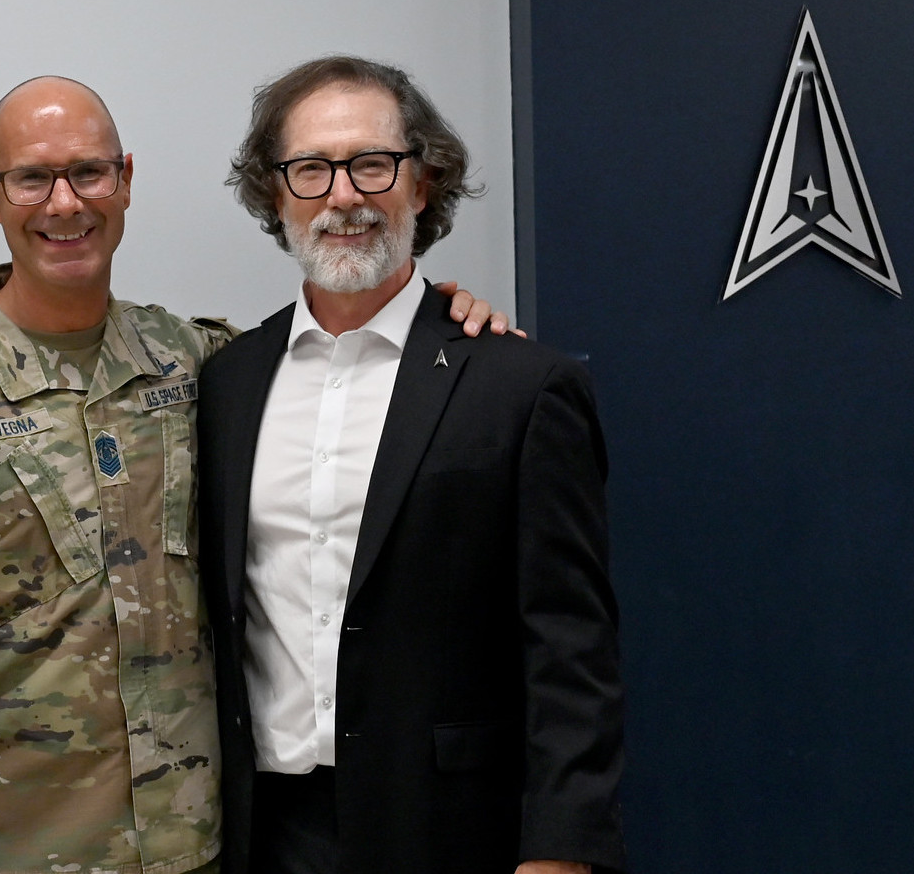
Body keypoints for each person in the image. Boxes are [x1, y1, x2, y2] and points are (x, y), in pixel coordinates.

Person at [0, 76, 506, 874]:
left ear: (126, 181)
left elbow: (345, 365)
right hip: (14, 855)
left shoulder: (198, 364)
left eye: (89, 172)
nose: (64, 204)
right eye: (32, 178)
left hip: (201, 850)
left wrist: (437, 326)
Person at [196, 56, 624, 874]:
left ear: (421, 185)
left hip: (456, 831)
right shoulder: (225, 383)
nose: (343, 196)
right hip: (267, 834)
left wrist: (561, 852)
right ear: (276, 195)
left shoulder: (520, 388)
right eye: (311, 170)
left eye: (371, 164)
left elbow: (571, 649)